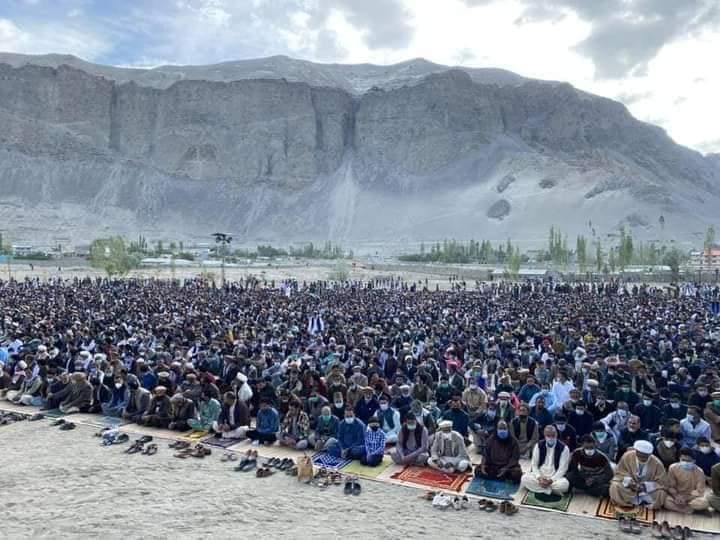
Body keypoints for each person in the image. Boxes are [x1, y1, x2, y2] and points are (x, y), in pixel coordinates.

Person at [609, 440, 667, 509]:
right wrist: (628, 481)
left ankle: (645, 503)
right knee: (614, 486)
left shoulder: (657, 463)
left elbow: (662, 482)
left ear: (649, 455)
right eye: (639, 455)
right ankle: (626, 503)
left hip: (647, 491)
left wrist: (645, 486)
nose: (641, 458)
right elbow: (619, 472)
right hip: (629, 488)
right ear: (636, 452)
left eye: (644, 456)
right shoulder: (627, 456)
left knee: (661, 493)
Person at [520, 425, 570, 495]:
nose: (551, 438)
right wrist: (539, 478)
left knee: (564, 485)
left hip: (555, 477)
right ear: (544, 435)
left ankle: (540, 489)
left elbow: (562, 469)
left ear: (556, 434)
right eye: (548, 435)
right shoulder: (538, 445)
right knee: (524, 478)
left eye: (553, 435)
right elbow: (534, 465)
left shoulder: (564, 448)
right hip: (541, 475)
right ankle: (550, 491)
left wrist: (551, 480)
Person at [664, 448, 710, 514]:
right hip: (676, 497)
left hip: (691, 498)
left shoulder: (699, 472)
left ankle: (684, 508)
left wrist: (686, 499)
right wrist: (676, 496)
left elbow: (700, 492)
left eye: (688, 461)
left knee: (704, 503)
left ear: (694, 461)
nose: (685, 462)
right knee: (665, 501)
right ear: (679, 458)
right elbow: (670, 486)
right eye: (683, 460)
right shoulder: (673, 468)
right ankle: (688, 510)